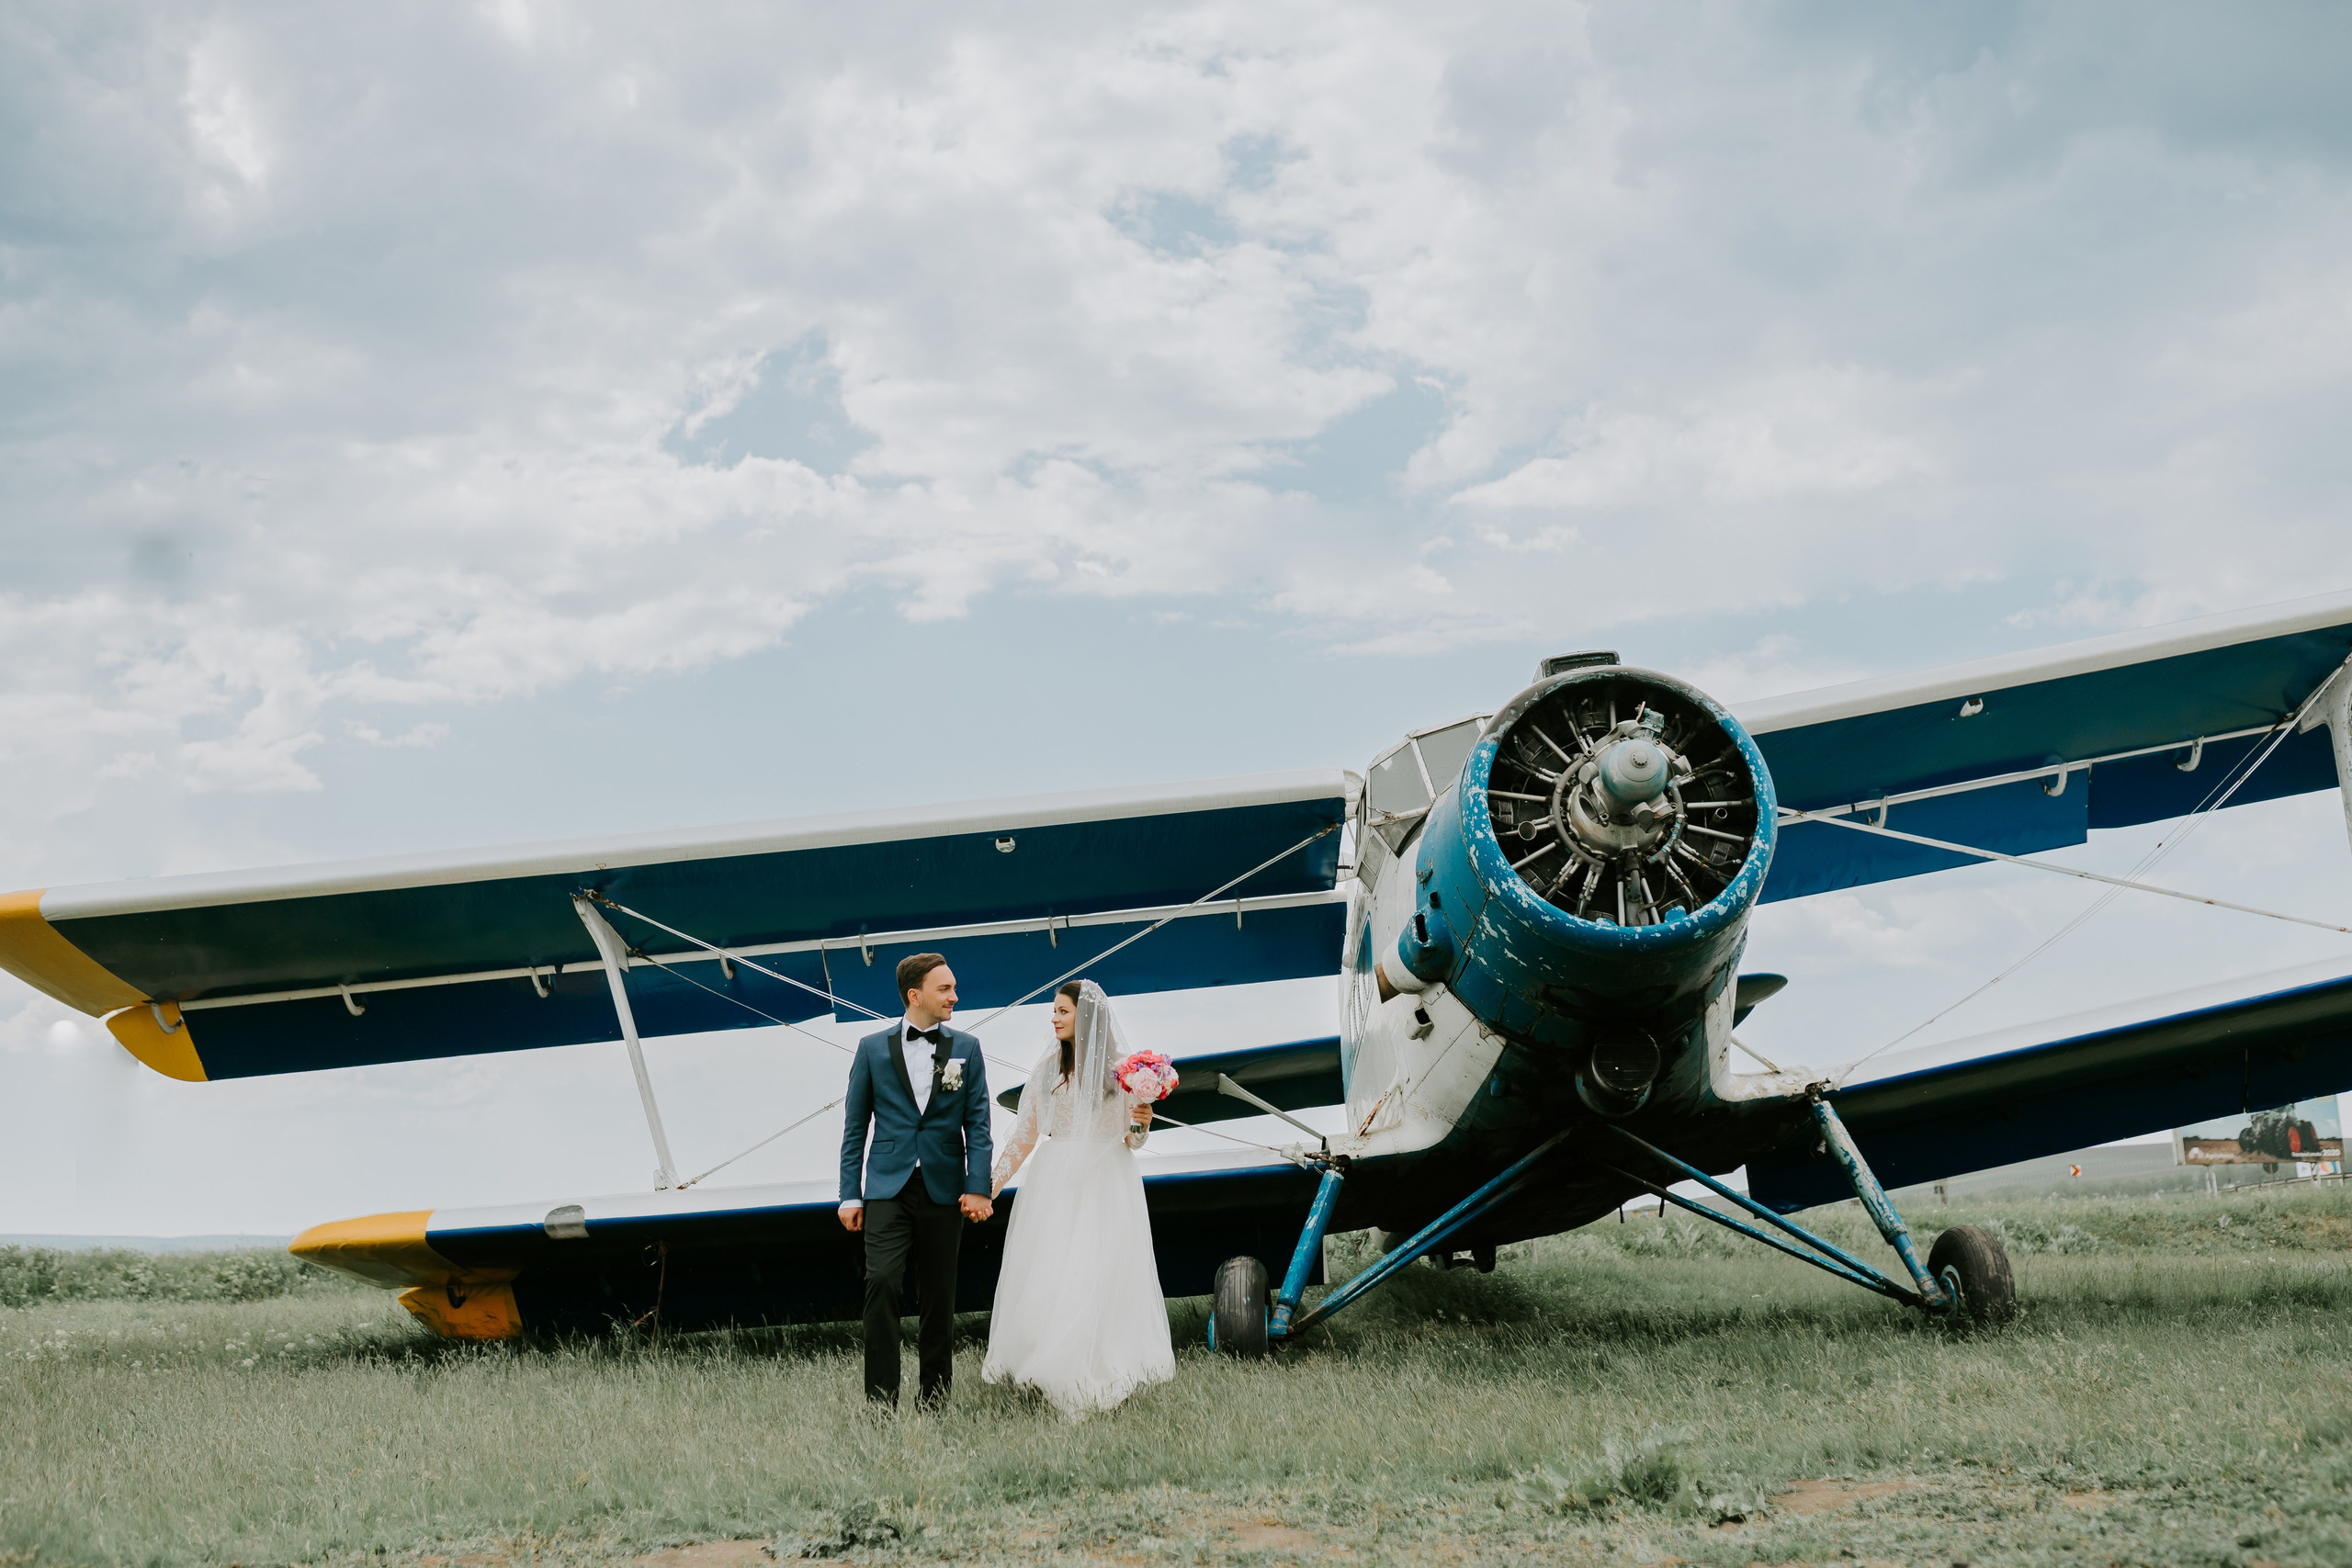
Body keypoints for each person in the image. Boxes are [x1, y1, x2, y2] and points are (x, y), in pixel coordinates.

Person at [982, 978, 1175, 1417]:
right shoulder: (1048, 1069)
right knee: (1053, 1268)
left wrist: (1143, 1119)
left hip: (1107, 1177)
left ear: (1085, 1016)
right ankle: (1047, 1355)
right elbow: (1026, 1135)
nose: (1054, 1018)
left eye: (1062, 1011)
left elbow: (1134, 1140)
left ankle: (1095, 1358)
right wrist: (990, 1187)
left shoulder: (1122, 1072)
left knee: (1101, 1268)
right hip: (1056, 1179)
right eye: (1054, 1011)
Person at [838, 952, 993, 1409]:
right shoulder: (870, 1048)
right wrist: (850, 1193)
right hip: (887, 1187)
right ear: (915, 995)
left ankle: (935, 1402)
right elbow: (854, 1128)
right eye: (944, 989)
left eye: (953, 988)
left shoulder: (967, 1048)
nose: (954, 997)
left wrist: (978, 1184)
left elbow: (978, 1123)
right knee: (882, 1283)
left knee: (938, 1296)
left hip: (945, 1188)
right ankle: (881, 1404)